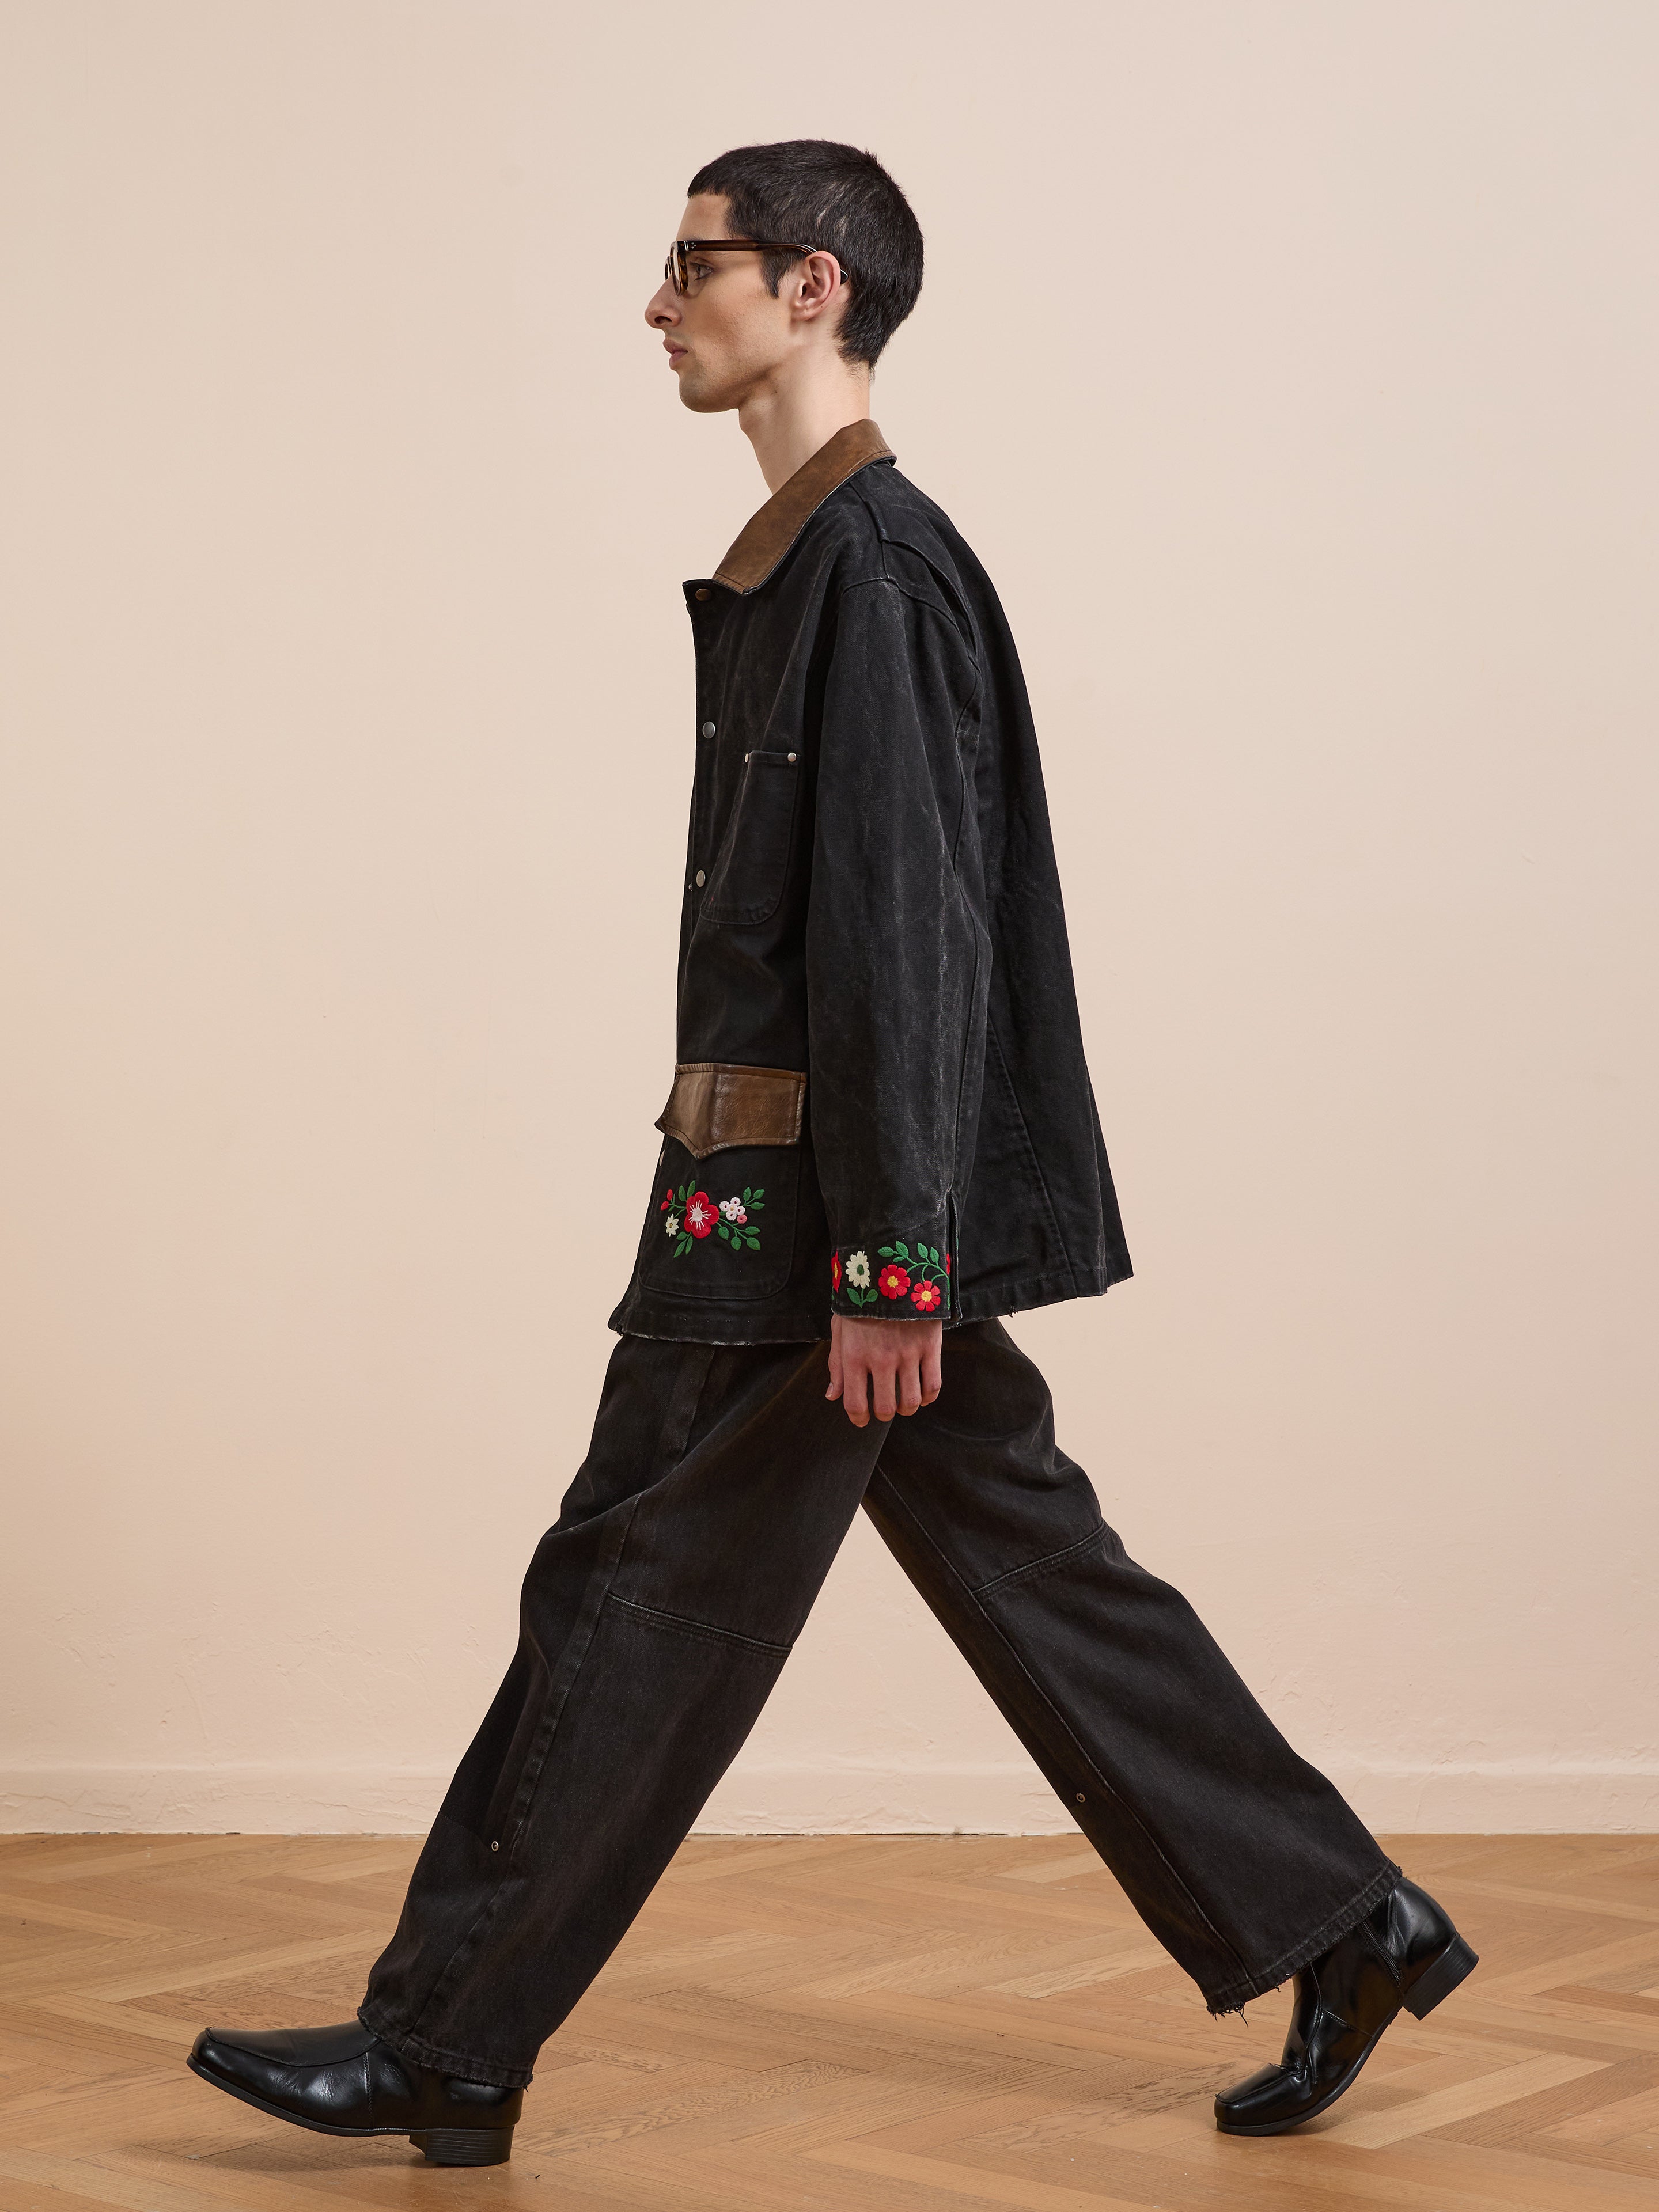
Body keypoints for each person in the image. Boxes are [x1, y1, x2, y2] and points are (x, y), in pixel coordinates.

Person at [186, 139, 1476, 2171]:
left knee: (630, 1590)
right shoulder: (822, 564)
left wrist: (889, 1264)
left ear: (810, 288)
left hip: (802, 1232)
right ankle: (1345, 1918)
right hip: (801, 1207)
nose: (654, 299)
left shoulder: (873, 571)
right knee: (1029, 1563)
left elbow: (910, 934)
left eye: (689, 262)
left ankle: (445, 2040)